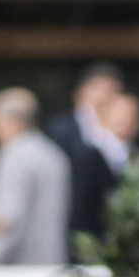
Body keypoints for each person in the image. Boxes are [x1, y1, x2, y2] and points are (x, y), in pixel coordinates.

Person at [0, 87, 69, 268]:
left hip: (18, 270)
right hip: (53, 263)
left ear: (12, 121)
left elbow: (8, 219)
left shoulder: (13, 155)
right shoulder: (53, 153)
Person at [45, 62, 129, 248]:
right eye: (103, 90)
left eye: (114, 92)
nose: (107, 97)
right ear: (82, 91)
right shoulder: (61, 129)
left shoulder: (121, 129)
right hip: (68, 216)